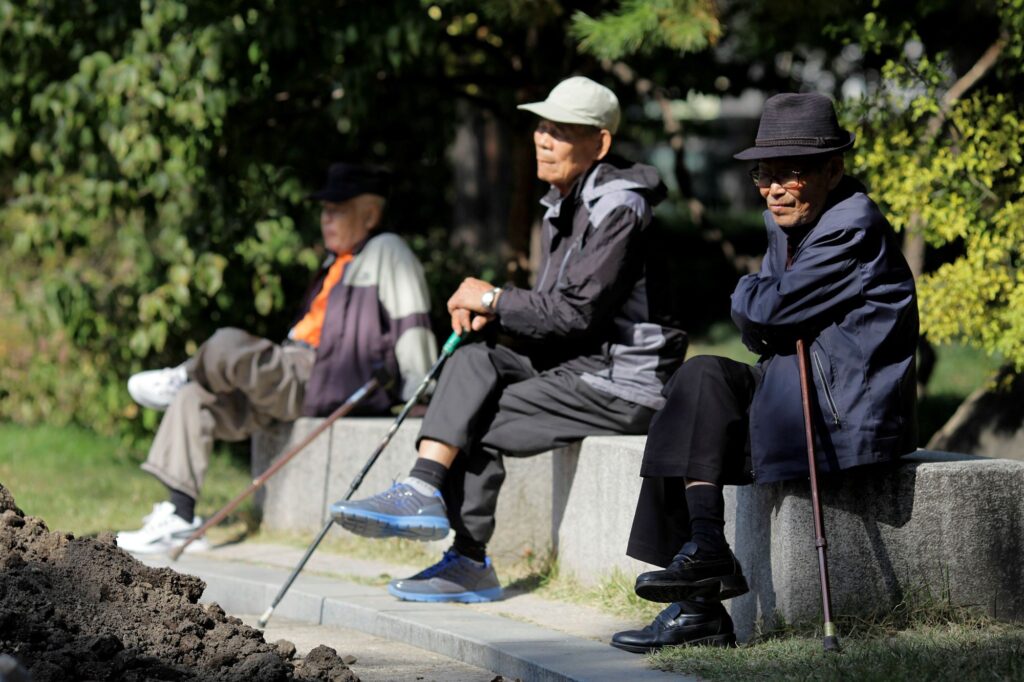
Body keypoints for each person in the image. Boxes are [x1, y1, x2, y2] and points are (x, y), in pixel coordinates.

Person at [329, 76, 687, 603]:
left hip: (625, 381)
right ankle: (424, 487)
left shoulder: (619, 208)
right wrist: (492, 320)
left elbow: (575, 315)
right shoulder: (563, 204)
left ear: (600, 144)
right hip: (578, 365)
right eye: (542, 126)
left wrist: (494, 299)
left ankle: (468, 556)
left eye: (562, 130)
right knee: (474, 360)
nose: (543, 138)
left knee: (469, 417)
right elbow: (554, 320)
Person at [609, 92, 919, 652]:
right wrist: (762, 303)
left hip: (841, 415)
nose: (773, 188)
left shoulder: (852, 224)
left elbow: (767, 311)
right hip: (788, 389)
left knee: (704, 413)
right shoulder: (789, 222)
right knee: (698, 378)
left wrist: (752, 295)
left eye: (791, 173)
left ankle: (697, 598)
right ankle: (704, 566)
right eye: (763, 174)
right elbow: (763, 327)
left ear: (833, 169)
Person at [116, 162, 438, 554]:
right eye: (324, 210)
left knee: (226, 343)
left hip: (322, 376)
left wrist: (421, 391)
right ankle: (180, 517)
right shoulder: (333, 262)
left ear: (369, 214)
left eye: (337, 209)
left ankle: (185, 373)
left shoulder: (387, 250)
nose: (326, 218)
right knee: (194, 400)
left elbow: (412, 321)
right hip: (293, 370)